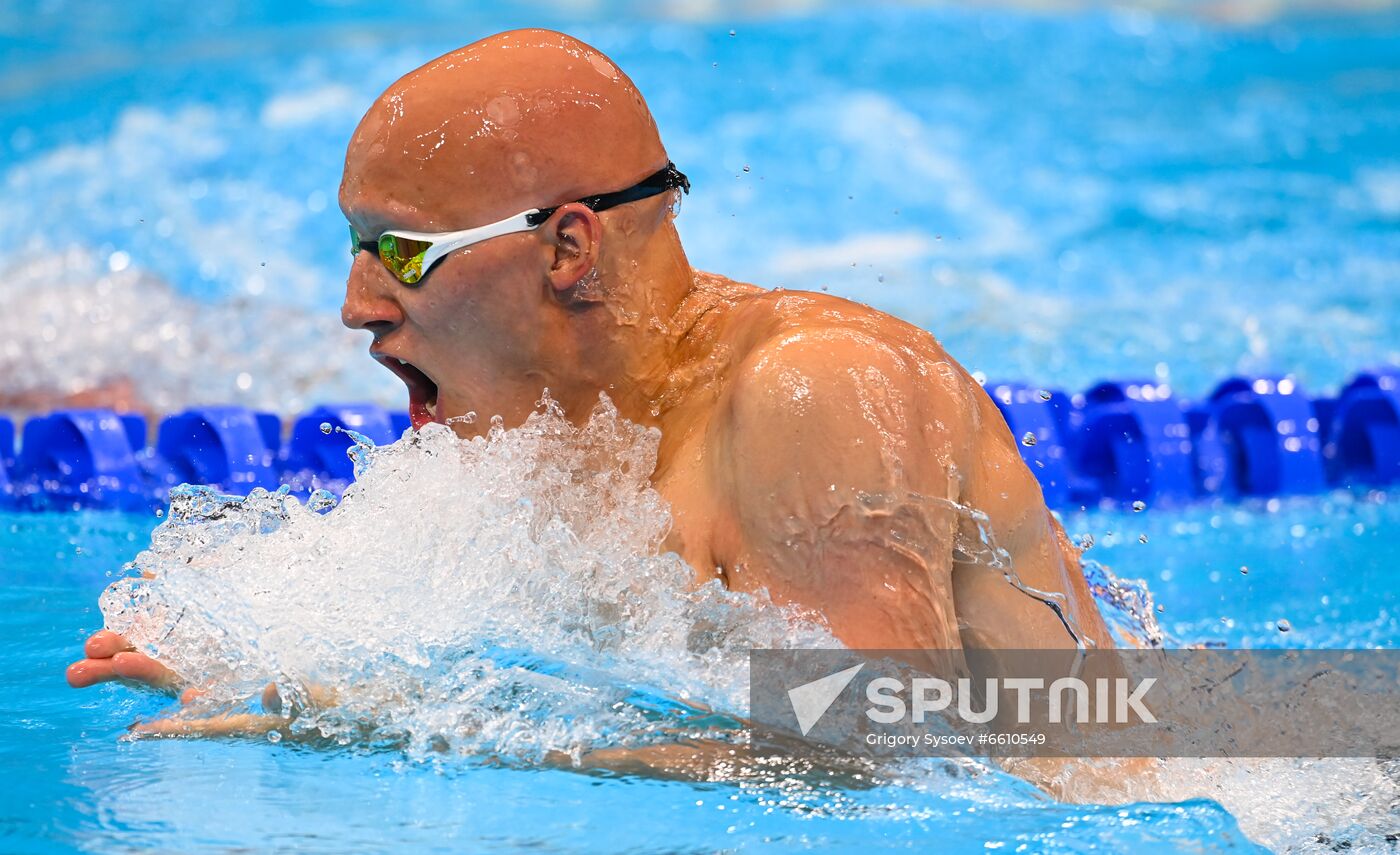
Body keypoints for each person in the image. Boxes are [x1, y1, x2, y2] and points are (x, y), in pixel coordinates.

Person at [67, 29, 1112, 723]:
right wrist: (293, 676)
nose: (357, 306)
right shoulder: (551, 431)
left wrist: (340, 722)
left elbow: (885, 757)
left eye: (400, 252)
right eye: (353, 248)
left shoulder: (813, 389)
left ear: (567, 249)